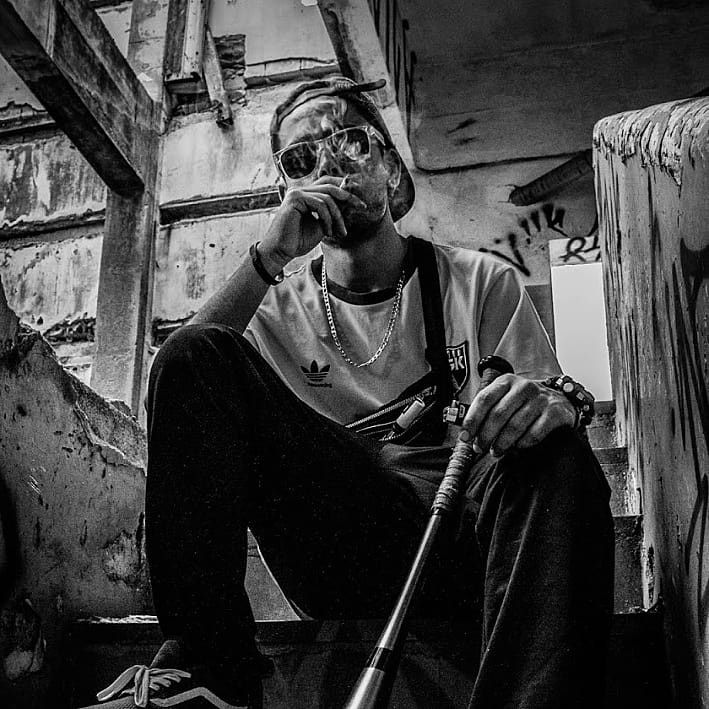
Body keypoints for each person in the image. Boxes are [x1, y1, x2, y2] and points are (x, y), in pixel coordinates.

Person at [94, 77, 614, 709]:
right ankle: (209, 669)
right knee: (192, 353)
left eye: (350, 142)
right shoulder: (268, 315)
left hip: (467, 543)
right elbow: (180, 378)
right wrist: (269, 255)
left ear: (391, 169)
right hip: (341, 548)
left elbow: (542, 405)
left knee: (556, 452)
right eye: (301, 158)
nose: (330, 164)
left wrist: (553, 402)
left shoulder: (480, 281)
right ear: (286, 191)